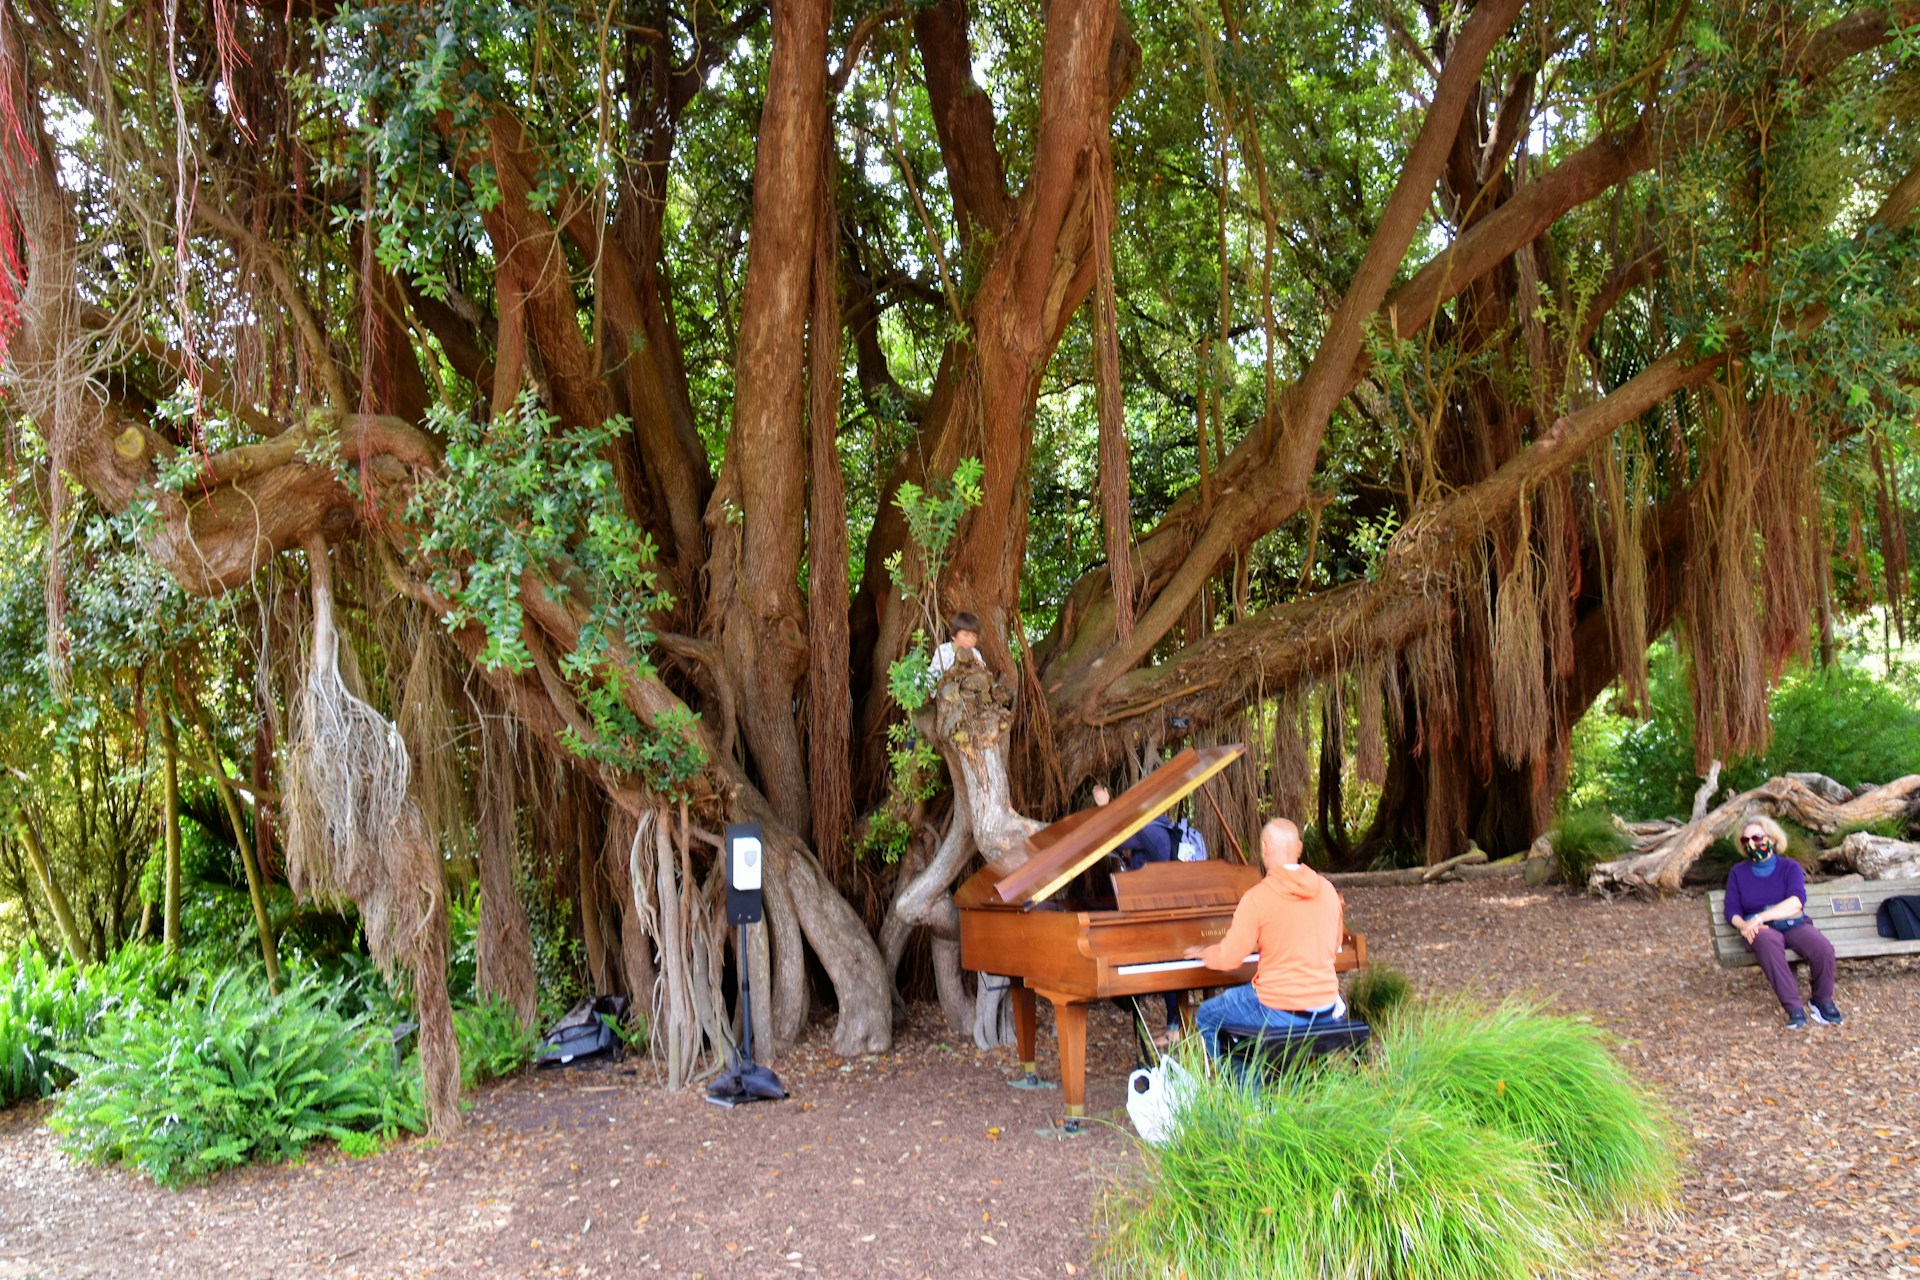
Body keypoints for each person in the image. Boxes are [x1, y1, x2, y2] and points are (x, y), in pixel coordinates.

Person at [1185, 818, 1345, 1059]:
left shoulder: (1258, 898)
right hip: (1326, 1005)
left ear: (1265, 848)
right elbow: (1335, 944)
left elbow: (1229, 959)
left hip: (1282, 1008)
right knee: (1241, 1002)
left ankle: (1245, 1093)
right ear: (1299, 848)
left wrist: (1205, 952)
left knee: (1208, 1015)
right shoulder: (1328, 890)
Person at [1725, 814, 1842, 1029]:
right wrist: (1744, 926)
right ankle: (1794, 1008)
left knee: (1822, 948)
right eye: (1746, 840)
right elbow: (1732, 909)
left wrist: (1759, 917)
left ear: (1772, 839)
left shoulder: (1789, 867)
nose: (1752, 843)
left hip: (1792, 924)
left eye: (1757, 838)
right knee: (1768, 941)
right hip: (1760, 931)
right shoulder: (1738, 873)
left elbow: (1796, 902)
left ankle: (1822, 1001)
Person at [927, 612, 985, 683]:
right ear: (954, 636)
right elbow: (936, 675)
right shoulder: (943, 650)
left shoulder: (975, 652)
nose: (970, 640)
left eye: (974, 636)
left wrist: (979, 665)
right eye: (966, 635)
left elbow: (982, 671)